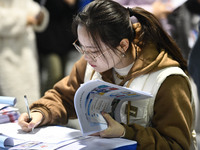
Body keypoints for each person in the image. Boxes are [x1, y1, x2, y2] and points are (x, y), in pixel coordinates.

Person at [18, 0, 196, 149]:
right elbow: (62, 97)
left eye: (94, 51)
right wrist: (40, 113)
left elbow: (176, 144)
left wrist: (125, 132)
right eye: (82, 48)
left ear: (123, 45)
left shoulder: (167, 79)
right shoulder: (91, 63)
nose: (86, 58)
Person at [0, 0, 49, 113]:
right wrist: (25, 19)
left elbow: (35, 11)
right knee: (14, 105)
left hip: (27, 56)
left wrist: (40, 16)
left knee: (31, 101)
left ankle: (31, 124)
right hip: (5, 57)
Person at [33, 0, 80, 95]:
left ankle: (57, 103)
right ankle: (43, 102)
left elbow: (74, 9)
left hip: (65, 37)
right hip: (48, 39)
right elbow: (38, 11)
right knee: (55, 73)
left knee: (62, 77)